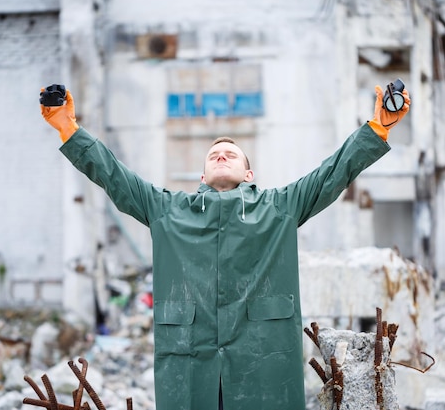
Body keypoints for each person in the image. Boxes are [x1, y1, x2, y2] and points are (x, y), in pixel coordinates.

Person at [40, 83, 410, 410]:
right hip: (188, 358)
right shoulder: (168, 210)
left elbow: (334, 172)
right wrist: (68, 129)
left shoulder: (279, 207)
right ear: (202, 176)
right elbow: (112, 174)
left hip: (263, 359)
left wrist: (376, 128)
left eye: (231, 154)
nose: (221, 155)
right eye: (214, 155)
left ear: (249, 174)